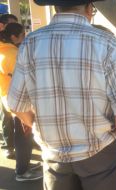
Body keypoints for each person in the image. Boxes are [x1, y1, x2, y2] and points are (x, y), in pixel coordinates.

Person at [7, 0, 116, 189]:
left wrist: (36, 125)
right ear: (88, 8)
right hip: (100, 151)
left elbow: (16, 104)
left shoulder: (30, 43)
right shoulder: (106, 42)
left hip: (54, 154)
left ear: (55, 8)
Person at [0, 22, 43, 181]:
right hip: (20, 103)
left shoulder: (4, 50)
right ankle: (22, 171)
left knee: (22, 135)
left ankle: (23, 167)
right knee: (23, 137)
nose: (25, 38)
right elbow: (23, 80)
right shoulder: (11, 55)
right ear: (13, 37)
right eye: (22, 35)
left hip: (8, 99)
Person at [0, 13, 18, 158]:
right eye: (10, 24)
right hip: (5, 88)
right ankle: (8, 146)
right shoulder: (5, 46)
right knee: (6, 117)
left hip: (8, 87)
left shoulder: (11, 42)